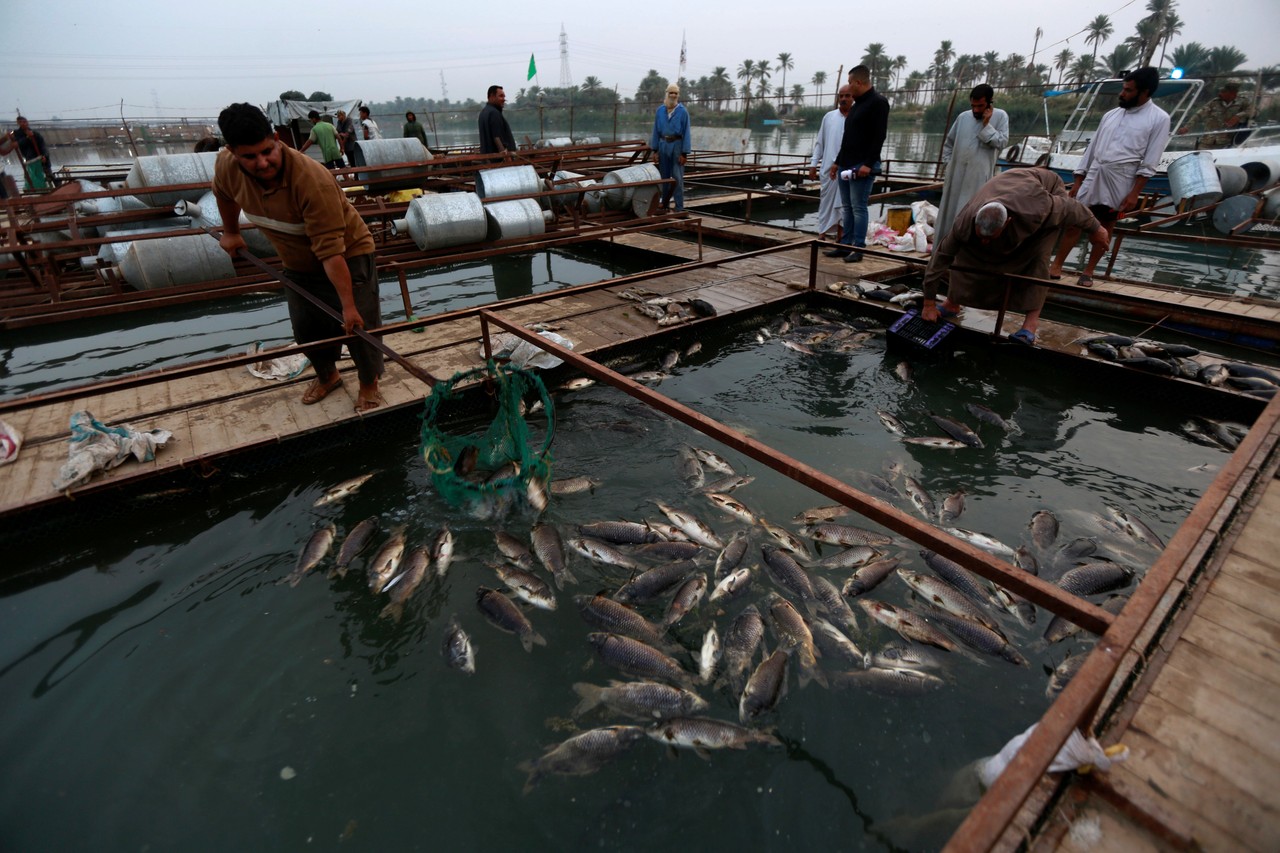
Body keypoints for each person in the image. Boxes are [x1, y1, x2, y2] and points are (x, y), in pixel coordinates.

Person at [211, 102, 384, 413]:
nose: (262, 163)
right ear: (232, 152)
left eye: (267, 151)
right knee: (306, 328)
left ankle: (369, 382)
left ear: (277, 139)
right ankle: (328, 376)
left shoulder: (311, 180)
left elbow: (331, 253)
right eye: (249, 157)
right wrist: (231, 232)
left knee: (358, 327)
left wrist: (347, 306)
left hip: (346, 254)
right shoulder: (226, 166)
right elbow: (223, 194)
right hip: (296, 261)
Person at [922, 168, 1109, 345]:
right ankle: (952, 303)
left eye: (991, 238)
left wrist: (1096, 228)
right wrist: (929, 303)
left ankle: (1030, 325)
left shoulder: (1039, 208)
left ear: (1008, 222)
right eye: (982, 237)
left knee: (1038, 259)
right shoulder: (964, 222)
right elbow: (940, 259)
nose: (986, 242)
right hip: (1009, 186)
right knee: (966, 253)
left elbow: (1071, 208)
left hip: (1044, 187)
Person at [1049, 67, 1170, 287]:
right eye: (1123, 89)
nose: (1122, 94)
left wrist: (1135, 193)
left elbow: (1151, 159)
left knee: (1106, 224)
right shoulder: (1111, 115)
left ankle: (1088, 271)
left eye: (1128, 90)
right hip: (1095, 171)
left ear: (1144, 92)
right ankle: (1056, 265)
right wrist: (1078, 180)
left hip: (1121, 178)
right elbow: (1092, 149)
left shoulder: (1159, 119)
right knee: (1076, 221)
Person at [933, 84, 1009, 245]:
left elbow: (1001, 142)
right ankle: (942, 249)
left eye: (980, 106)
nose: (975, 110)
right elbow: (949, 144)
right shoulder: (963, 117)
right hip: (955, 176)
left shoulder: (1000, 116)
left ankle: (964, 255)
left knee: (971, 214)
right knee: (948, 214)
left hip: (979, 178)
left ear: (989, 103)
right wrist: (949, 165)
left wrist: (986, 126)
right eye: (973, 106)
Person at [828, 65, 889, 263]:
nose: (849, 89)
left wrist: (868, 164)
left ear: (858, 83)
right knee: (847, 206)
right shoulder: (857, 106)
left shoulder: (878, 103)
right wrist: (837, 161)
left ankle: (858, 247)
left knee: (858, 206)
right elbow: (848, 138)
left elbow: (879, 136)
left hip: (862, 165)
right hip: (846, 163)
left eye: (851, 83)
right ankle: (845, 245)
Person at [809, 84, 854, 240]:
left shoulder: (857, 117)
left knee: (844, 204)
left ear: (853, 97)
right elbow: (820, 143)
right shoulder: (829, 117)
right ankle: (822, 233)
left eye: (847, 96)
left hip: (847, 168)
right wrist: (813, 164)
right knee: (826, 203)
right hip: (828, 169)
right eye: (841, 96)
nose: (843, 99)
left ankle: (840, 236)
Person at [650, 84, 692, 212]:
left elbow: (686, 132)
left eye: (675, 93)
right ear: (666, 93)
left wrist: (684, 153)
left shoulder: (682, 112)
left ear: (678, 95)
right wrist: (655, 150)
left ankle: (679, 206)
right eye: (671, 93)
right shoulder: (660, 111)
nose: (673, 95)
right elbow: (656, 131)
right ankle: (665, 203)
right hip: (663, 145)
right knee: (665, 177)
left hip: (677, 146)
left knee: (677, 177)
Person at [1178, 82, 1249, 149]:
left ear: (1232, 94)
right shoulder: (1214, 103)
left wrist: (1238, 116)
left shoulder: (1242, 103)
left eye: (1223, 92)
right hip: (1207, 141)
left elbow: (1253, 111)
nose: (1220, 94)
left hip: (1226, 142)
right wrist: (1187, 127)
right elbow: (1199, 115)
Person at [0, 116, 54, 190]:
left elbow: (42, 146)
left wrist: (44, 156)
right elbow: (9, 148)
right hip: (29, 160)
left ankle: (52, 188)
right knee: (32, 177)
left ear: (27, 122)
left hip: (40, 159)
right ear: (18, 123)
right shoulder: (17, 134)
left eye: (24, 122)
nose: (23, 124)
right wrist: (9, 139)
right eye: (20, 122)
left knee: (49, 176)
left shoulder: (35, 134)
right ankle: (38, 190)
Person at [478, 85, 517, 157]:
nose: (504, 99)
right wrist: (507, 156)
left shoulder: (483, 112)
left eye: (504, 96)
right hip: (499, 161)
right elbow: (499, 138)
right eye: (501, 96)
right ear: (492, 96)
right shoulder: (494, 113)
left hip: (487, 159)